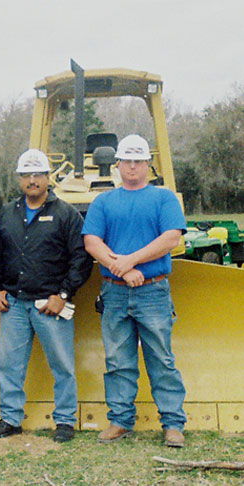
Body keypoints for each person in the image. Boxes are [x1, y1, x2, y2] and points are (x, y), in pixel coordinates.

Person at [82, 134, 187, 448]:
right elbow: (92, 242)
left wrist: (131, 260)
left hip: (153, 292)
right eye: (126, 160)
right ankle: (120, 420)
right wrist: (123, 269)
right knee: (117, 359)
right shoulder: (103, 202)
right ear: (116, 165)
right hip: (114, 291)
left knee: (161, 359)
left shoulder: (163, 198)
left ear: (147, 165)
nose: (131, 166)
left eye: (137, 161)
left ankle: (172, 424)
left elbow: (171, 238)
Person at [0, 149, 93, 443]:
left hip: (51, 304)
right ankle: (10, 418)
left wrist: (64, 294)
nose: (32, 180)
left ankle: (65, 421)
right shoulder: (7, 213)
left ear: (48, 178)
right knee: (8, 364)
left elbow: (81, 258)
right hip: (15, 305)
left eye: (38, 174)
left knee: (62, 365)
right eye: (26, 175)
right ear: (20, 179)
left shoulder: (66, 214)